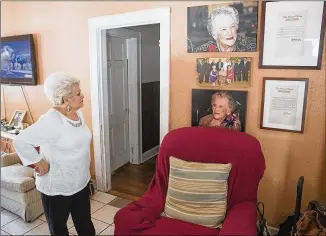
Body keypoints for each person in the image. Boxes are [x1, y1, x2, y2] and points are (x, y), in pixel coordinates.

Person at [13, 72, 95, 236]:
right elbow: (20, 141)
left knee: (85, 226)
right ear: (65, 100)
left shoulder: (77, 113)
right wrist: (39, 161)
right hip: (57, 187)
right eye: (78, 94)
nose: (83, 95)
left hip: (80, 182)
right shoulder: (51, 121)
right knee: (59, 229)